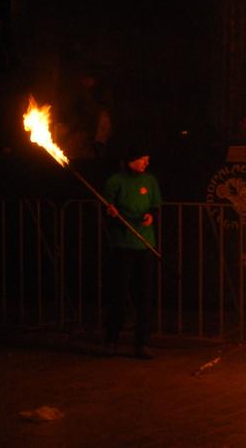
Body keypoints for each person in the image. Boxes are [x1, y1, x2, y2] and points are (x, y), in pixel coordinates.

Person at [103, 145, 161, 359]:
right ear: (131, 160)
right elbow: (105, 207)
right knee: (118, 294)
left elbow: (155, 206)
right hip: (123, 245)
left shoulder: (150, 181)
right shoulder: (115, 181)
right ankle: (111, 340)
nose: (146, 163)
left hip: (145, 244)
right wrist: (110, 211)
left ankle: (142, 343)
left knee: (144, 295)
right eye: (143, 159)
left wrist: (151, 216)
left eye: (147, 159)